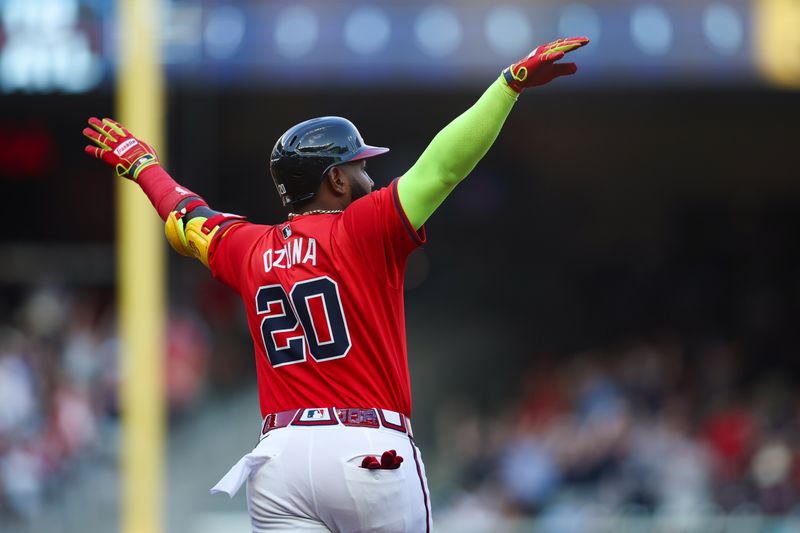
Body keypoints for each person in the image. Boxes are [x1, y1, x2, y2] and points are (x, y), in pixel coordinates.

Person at [83, 36, 589, 533]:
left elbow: (187, 216)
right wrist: (509, 85)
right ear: (336, 181)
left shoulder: (248, 247)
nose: (369, 173)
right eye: (359, 165)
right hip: (366, 450)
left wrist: (144, 167)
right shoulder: (364, 228)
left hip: (279, 461)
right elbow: (444, 167)